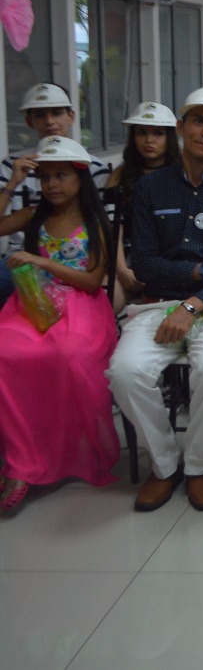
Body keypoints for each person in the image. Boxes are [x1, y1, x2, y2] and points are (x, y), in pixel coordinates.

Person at [107, 86, 203, 513]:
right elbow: (145, 266)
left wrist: (194, 304)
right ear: (181, 127)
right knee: (124, 371)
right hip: (156, 304)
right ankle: (164, 464)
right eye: (199, 121)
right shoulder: (151, 188)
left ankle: (196, 465)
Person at [0, 136, 118, 513]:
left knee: (68, 355)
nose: (51, 184)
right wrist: (12, 184)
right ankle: (19, 462)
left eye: (61, 175)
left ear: (79, 178)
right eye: (46, 177)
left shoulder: (95, 222)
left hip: (82, 307)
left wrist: (44, 262)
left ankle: (58, 451)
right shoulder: (35, 215)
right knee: (6, 352)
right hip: (33, 304)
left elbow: (91, 280)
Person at [0, 84, 110, 306]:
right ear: (29, 122)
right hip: (21, 265)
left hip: (75, 274)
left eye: (57, 113)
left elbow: (93, 274)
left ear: (71, 116)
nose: (49, 121)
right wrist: (13, 183)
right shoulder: (14, 167)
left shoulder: (92, 166)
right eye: (40, 115)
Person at [108, 102, 181, 310]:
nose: (149, 140)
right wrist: (122, 271)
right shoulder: (119, 176)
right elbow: (111, 228)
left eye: (158, 133)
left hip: (170, 260)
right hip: (124, 261)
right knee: (107, 303)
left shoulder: (183, 175)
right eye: (141, 133)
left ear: (169, 137)